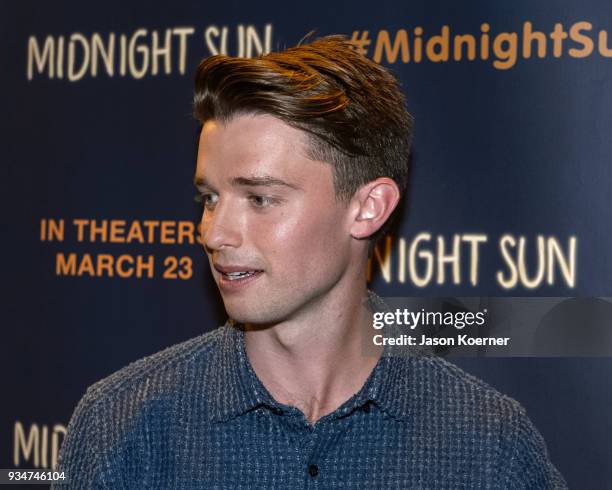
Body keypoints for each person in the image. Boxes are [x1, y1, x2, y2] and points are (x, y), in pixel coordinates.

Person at [56, 35, 567, 488]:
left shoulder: (486, 445)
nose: (214, 233)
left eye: (260, 199)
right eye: (209, 198)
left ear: (368, 208)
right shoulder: (121, 426)